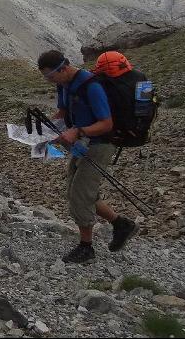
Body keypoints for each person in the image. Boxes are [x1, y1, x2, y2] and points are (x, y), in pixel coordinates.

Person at [37, 49, 137, 263]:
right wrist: (46, 132)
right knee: (78, 191)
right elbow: (63, 113)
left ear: (63, 68)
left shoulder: (91, 86)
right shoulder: (63, 84)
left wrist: (78, 131)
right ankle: (121, 224)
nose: (49, 81)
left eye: (50, 76)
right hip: (81, 144)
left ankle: (86, 248)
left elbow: (106, 124)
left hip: (100, 144)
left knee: (80, 195)